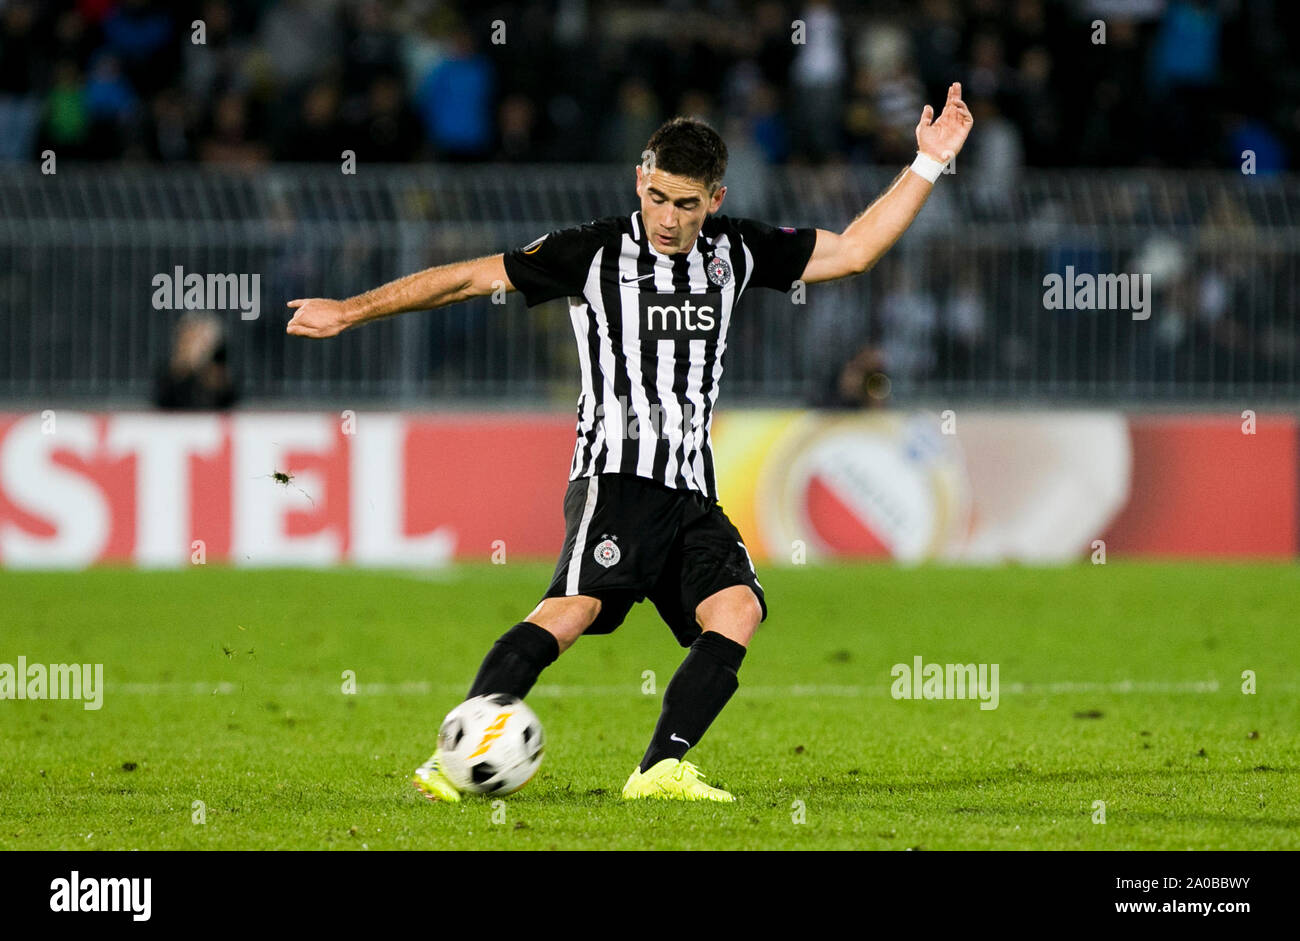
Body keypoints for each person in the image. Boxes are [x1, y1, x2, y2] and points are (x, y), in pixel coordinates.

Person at [286, 84, 973, 802]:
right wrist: (348, 311)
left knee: (737, 607)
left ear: (715, 197)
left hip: (690, 487)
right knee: (572, 609)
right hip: (616, 472)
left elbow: (856, 251)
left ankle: (659, 767)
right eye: (658, 197)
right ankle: (454, 755)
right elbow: (464, 278)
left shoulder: (737, 249)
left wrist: (926, 163)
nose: (669, 218)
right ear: (639, 182)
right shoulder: (589, 252)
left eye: (686, 203)